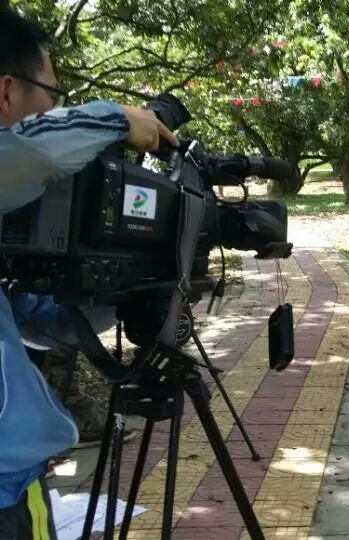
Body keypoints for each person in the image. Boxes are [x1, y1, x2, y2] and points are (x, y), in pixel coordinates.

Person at [0, 8, 177, 538]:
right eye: (52, 95)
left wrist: (123, 289)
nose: (57, 110)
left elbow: (38, 322)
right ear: (6, 92)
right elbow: (32, 150)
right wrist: (118, 119)